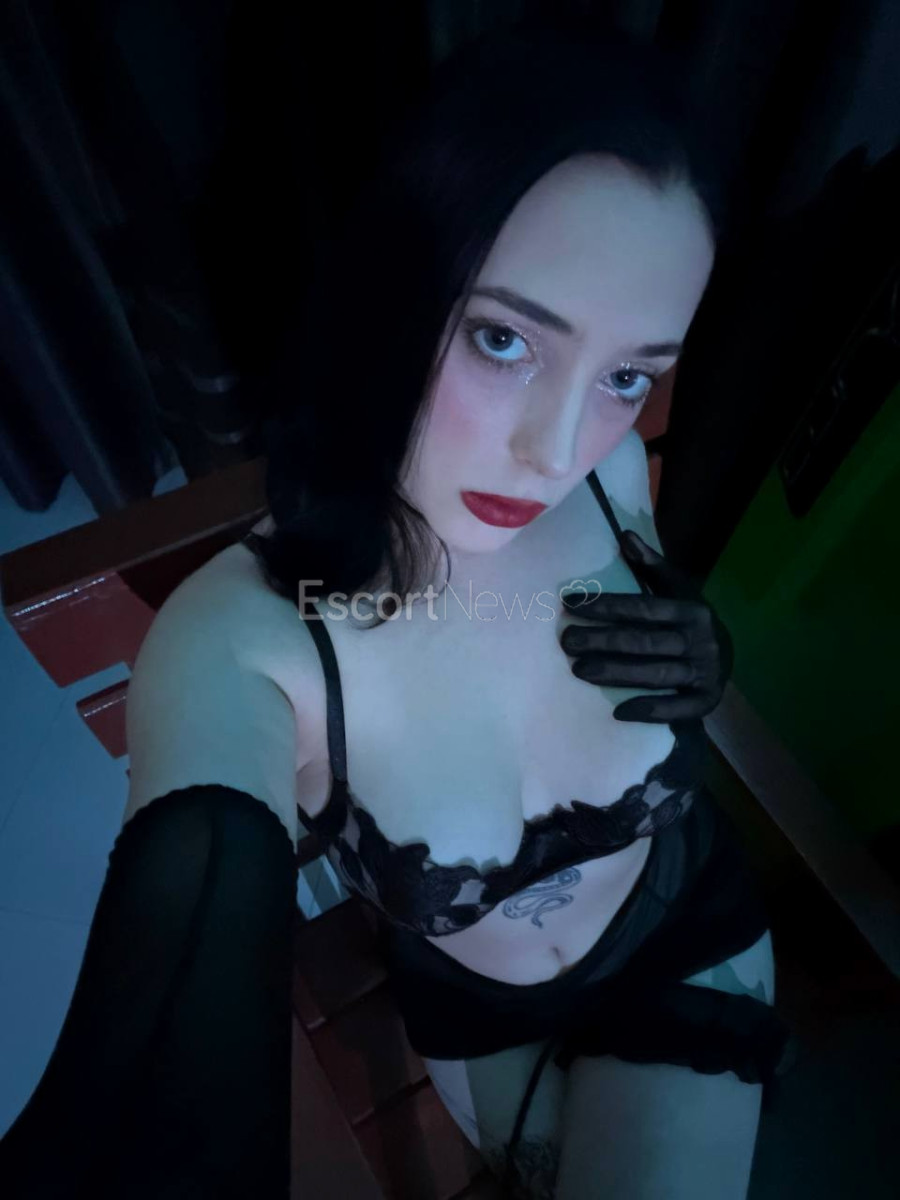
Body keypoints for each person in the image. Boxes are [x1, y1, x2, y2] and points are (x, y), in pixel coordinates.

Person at [0, 14, 793, 1199]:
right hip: (484, 1014)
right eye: (504, 339)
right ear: (390, 297)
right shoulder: (249, 639)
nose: (556, 450)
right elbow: (178, 985)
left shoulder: (615, 475)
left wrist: (700, 643)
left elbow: (644, 585)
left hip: (689, 934)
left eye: (628, 375)